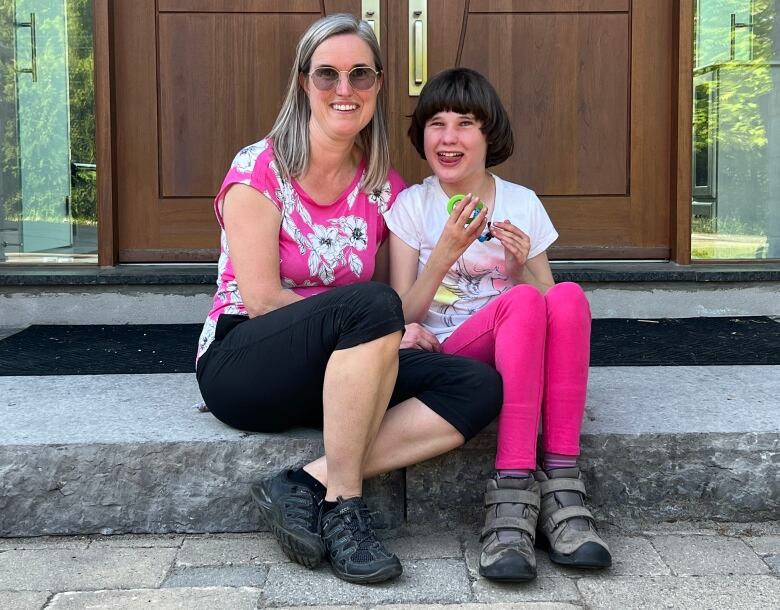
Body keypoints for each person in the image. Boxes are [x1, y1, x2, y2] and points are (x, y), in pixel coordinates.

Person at [195, 18, 502, 585]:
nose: (345, 89)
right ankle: (344, 506)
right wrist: (383, 323)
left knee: (477, 386)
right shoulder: (258, 169)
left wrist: (439, 264)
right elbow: (261, 298)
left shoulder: (382, 185)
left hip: (343, 372)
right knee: (370, 305)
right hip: (246, 363)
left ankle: (303, 481)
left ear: (379, 85)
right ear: (302, 83)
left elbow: (393, 311)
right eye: (328, 74)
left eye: (360, 74)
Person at [385, 67, 611, 582]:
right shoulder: (413, 206)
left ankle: (561, 483)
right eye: (436, 123)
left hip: (521, 344)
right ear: (422, 135)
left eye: (465, 124)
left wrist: (520, 267)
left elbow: (559, 313)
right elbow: (402, 316)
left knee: (565, 295)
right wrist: (441, 255)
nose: (448, 137)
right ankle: (510, 494)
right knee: (527, 302)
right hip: (449, 355)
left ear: (489, 135)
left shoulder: (521, 203)